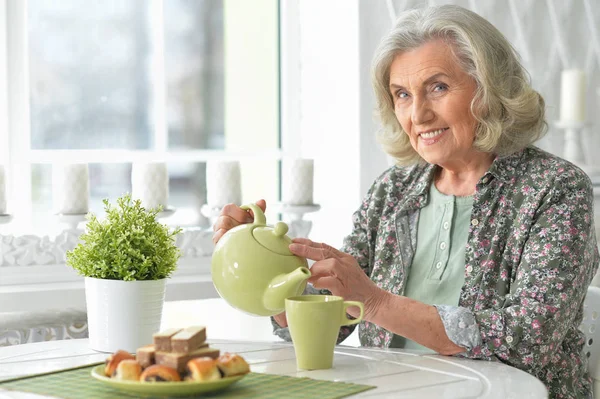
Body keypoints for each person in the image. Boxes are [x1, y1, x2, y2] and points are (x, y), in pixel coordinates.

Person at [212, 5, 599, 398]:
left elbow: (528, 338)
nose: (418, 114)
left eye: (438, 87)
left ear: (491, 88)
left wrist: (376, 301)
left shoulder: (556, 189)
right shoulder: (392, 190)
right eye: (402, 94)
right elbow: (335, 319)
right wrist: (267, 267)